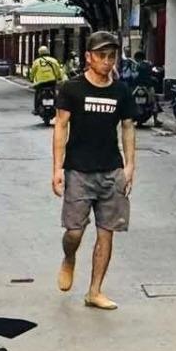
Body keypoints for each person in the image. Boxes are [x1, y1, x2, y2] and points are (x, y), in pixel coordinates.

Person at [51, 30, 137, 311]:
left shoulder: (121, 91)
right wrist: (57, 168)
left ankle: (95, 291)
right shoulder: (72, 88)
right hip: (78, 170)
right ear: (89, 57)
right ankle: (69, 258)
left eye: (111, 56)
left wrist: (129, 165)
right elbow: (61, 126)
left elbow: (128, 127)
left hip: (111, 170)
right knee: (74, 232)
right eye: (101, 55)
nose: (107, 61)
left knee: (106, 232)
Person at [27, 45, 63, 114]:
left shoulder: (36, 61)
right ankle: (57, 107)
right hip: (51, 81)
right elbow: (58, 70)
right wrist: (59, 77)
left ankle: (36, 109)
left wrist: (31, 79)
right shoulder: (54, 60)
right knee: (54, 93)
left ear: (39, 53)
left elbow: (32, 72)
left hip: (40, 83)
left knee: (37, 94)